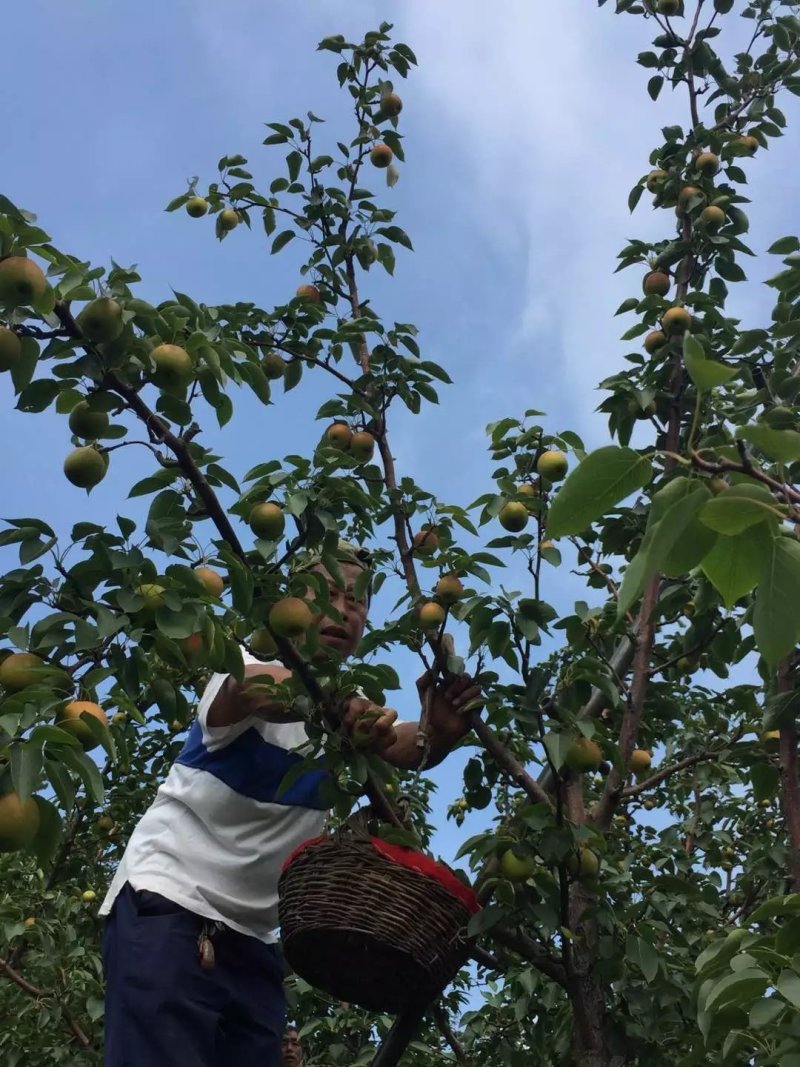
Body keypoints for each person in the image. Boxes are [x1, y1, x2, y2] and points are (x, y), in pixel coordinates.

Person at [99, 543, 480, 1067]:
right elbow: (252, 689)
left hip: (254, 941)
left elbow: (403, 745)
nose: (344, 610)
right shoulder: (252, 664)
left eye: (357, 600)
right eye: (326, 593)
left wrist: (439, 732)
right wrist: (339, 706)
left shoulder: (342, 714)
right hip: (169, 907)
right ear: (287, 605)